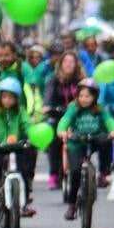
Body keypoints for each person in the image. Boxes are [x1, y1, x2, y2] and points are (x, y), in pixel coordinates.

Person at [58, 79, 114, 220]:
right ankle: (72, 205)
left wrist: (113, 130)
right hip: (77, 141)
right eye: (81, 96)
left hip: (95, 138)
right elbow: (65, 120)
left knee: (106, 142)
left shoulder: (100, 109)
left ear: (95, 97)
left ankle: (103, 172)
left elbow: (110, 121)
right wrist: (62, 130)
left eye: (88, 96)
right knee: (75, 173)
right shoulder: (73, 108)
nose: (84, 99)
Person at [0, 77, 37, 216]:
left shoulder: (21, 111)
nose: (7, 100)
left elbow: (27, 125)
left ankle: (25, 198)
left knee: (25, 167)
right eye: (4, 97)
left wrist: (33, 137)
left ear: (17, 99)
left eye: (11, 97)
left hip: (17, 146)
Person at [42, 50, 84, 189]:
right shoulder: (53, 80)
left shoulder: (81, 80)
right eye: (65, 62)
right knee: (54, 141)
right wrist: (47, 106)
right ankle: (53, 174)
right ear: (60, 64)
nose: (68, 65)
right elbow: (48, 96)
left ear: (76, 64)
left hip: (76, 116)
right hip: (57, 115)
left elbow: (88, 96)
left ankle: (84, 168)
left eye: (72, 62)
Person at [0, 40, 39, 116]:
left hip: (21, 114)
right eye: (0, 56)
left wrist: (30, 116)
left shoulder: (24, 69)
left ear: (15, 55)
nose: (3, 59)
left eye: (6, 55)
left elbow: (31, 94)